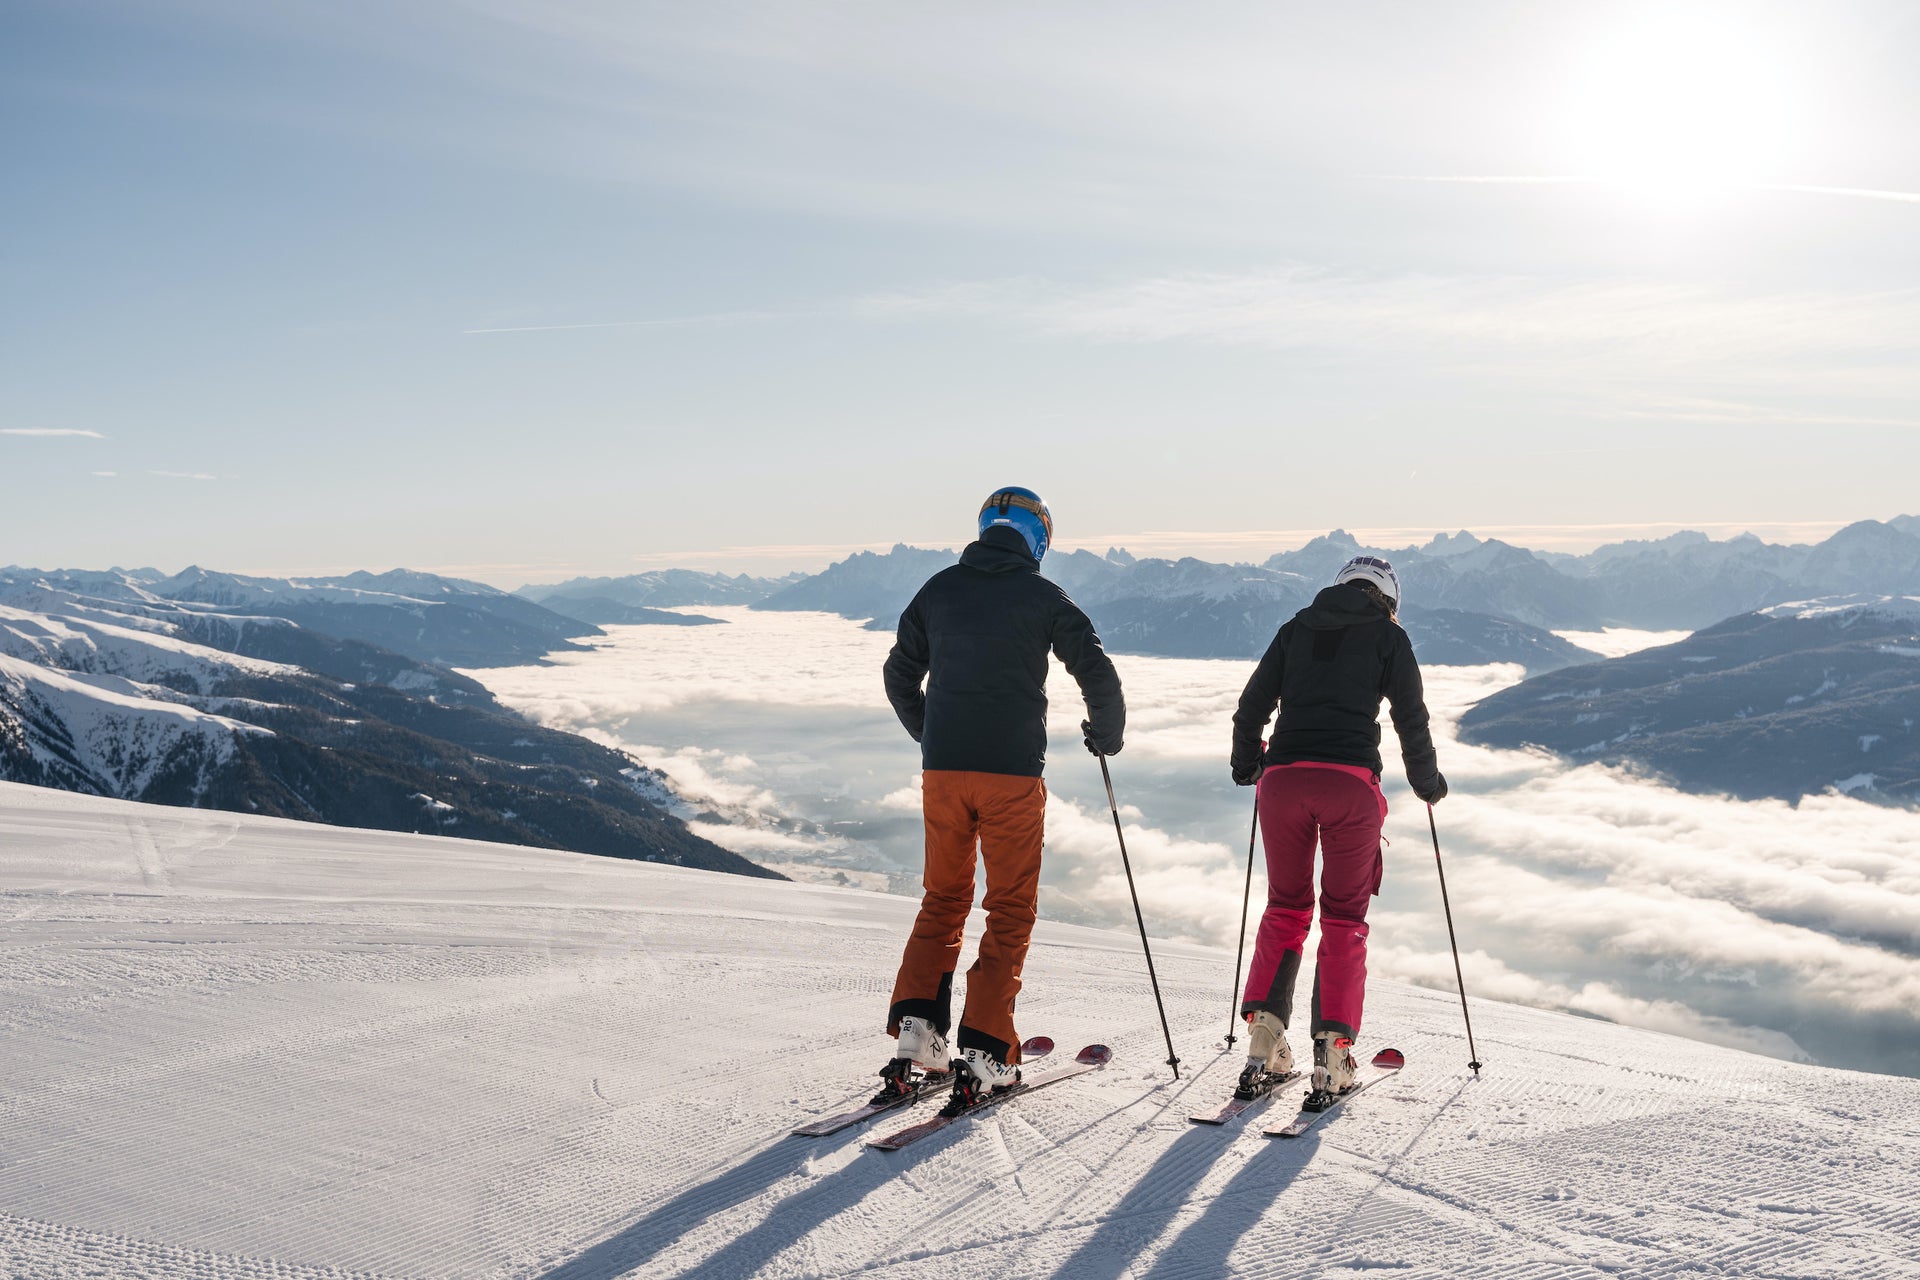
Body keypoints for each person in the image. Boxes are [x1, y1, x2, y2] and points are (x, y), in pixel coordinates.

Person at [879, 487, 1126, 1115]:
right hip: (1012, 777)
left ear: (986, 527)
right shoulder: (1043, 597)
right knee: (1009, 908)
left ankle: (918, 1036)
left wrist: (930, 732)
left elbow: (898, 673)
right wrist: (1107, 733)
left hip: (943, 775)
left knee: (943, 900)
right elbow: (1094, 667)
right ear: (1038, 537)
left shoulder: (938, 589)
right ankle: (987, 1052)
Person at [1229, 554, 1445, 1102]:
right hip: (1350, 789)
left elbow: (1252, 704)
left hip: (1281, 782)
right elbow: (1410, 717)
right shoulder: (1389, 639)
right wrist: (1426, 781)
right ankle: (1333, 1054)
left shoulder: (1295, 628)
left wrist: (1246, 763)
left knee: (1286, 907)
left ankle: (1264, 1041)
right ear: (1387, 600)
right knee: (1344, 917)